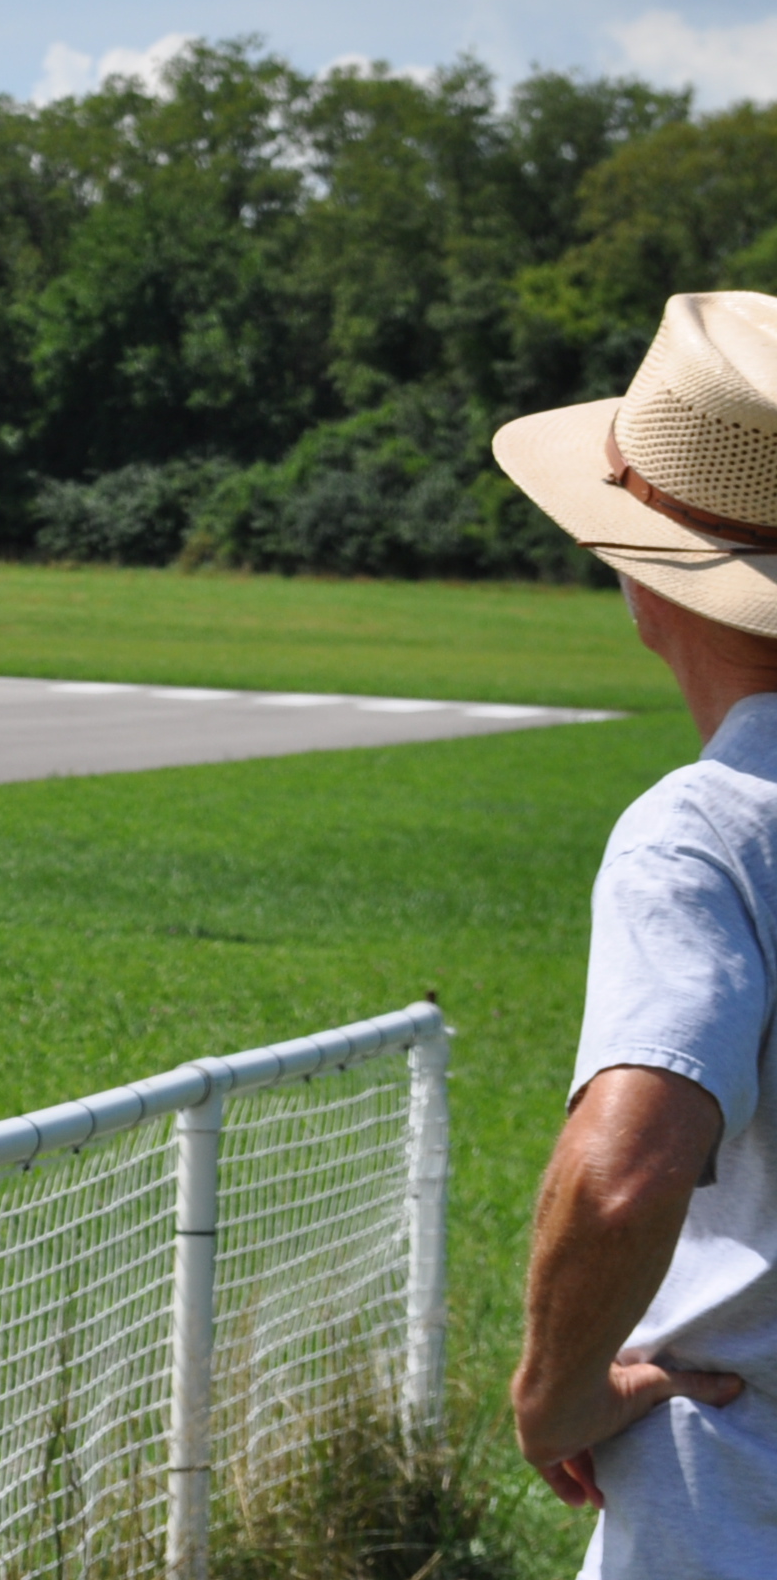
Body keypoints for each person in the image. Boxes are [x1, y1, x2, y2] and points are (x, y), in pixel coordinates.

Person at [498, 289, 777, 1574]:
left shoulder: (708, 830)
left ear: (646, 576)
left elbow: (624, 1175)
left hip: (735, 1497)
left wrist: (557, 1395)